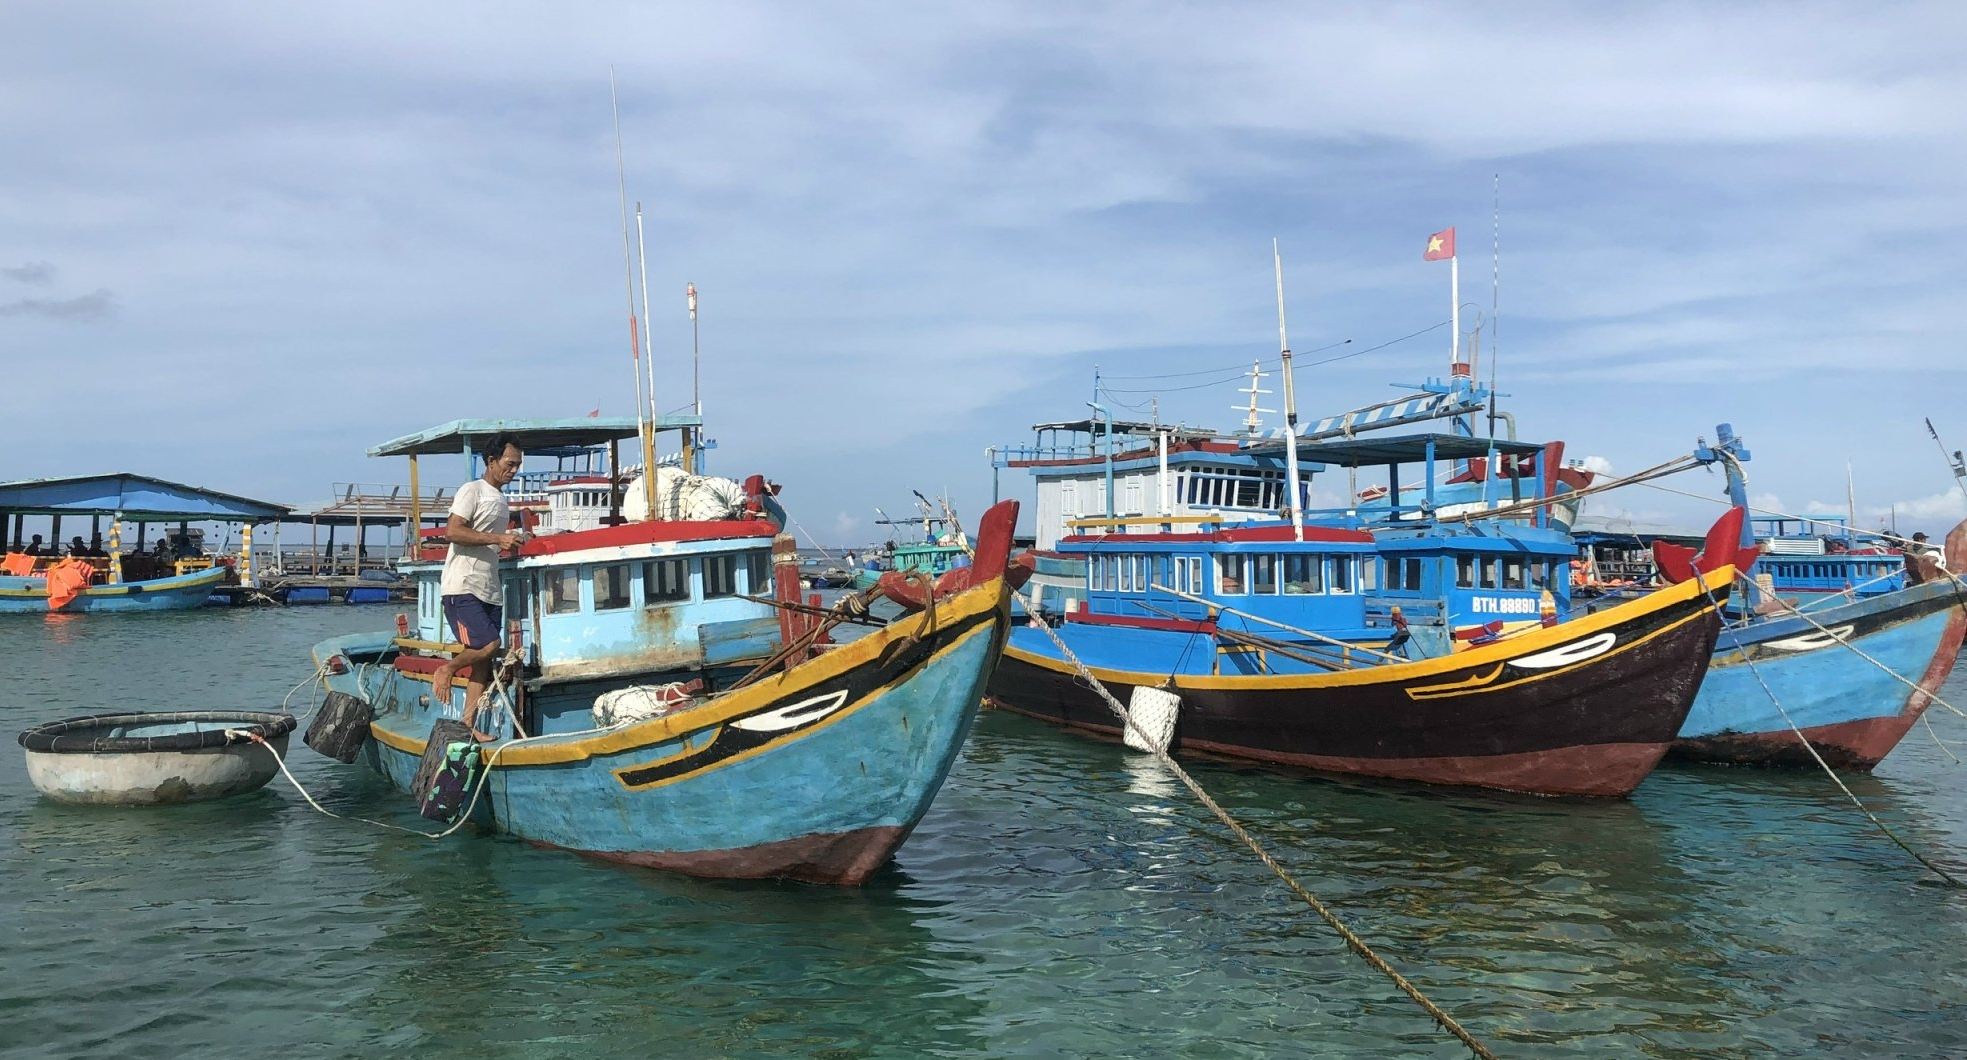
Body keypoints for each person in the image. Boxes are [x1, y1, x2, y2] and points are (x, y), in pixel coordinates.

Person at [431, 434, 527, 740]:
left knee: (483, 662)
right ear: (491, 461)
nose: (514, 471)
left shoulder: (501, 500)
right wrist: (499, 539)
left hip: (489, 587)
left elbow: (488, 540)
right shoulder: (472, 490)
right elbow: (453, 531)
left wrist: (511, 541)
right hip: (462, 586)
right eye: (510, 464)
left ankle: (468, 725)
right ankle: (447, 669)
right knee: (487, 645)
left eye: (518, 466)